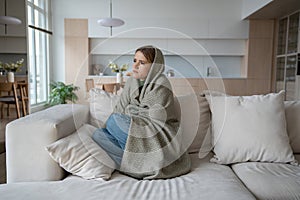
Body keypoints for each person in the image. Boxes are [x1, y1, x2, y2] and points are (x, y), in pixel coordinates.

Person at [92, 45, 191, 179]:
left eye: (142, 62)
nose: (136, 66)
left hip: (157, 133)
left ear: (155, 66)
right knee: (98, 135)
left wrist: (129, 110)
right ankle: (140, 165)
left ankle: (143, 163)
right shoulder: (131, 81)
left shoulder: (162, 83)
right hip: (135, 128)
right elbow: (120, 108)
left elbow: (155, 118)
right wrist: (110, 127)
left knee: (115, 120)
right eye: (135, 60)